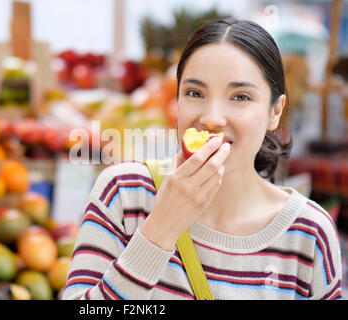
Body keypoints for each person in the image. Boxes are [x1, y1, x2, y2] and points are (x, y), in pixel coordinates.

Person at [63, 17, 343, 300]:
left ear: (275, 112)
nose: (211, 119)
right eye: (195, 93)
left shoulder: (309, 234)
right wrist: (160, 229)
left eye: (241, 97)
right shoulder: (122, 193)